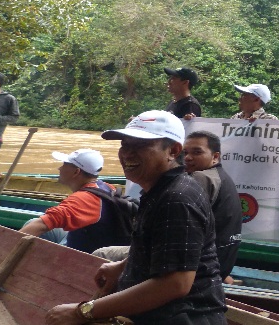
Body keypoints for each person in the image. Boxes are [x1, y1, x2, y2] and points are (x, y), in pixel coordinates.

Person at [45, 110, 225, 325]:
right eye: (125, 145)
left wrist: (82, 311)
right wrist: (121, 266)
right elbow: (161, 246)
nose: (128, 154)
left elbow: (175, 283)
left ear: (173, 151)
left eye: (140, 146)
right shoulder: (159, 190)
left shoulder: (177, 199)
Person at [20, 149, 132, 254]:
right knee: (35, 222)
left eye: (64, 165)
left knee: (33, 224)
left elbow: (40, 225)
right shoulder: (105, 186)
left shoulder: (84, 199)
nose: (59, 168)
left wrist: (5, 246)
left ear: (76, 172)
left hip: (86, 255)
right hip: (98, 241)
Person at [183, 130, 242, 283]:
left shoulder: (201, 177)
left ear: (215, 157)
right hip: (223, 264)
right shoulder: (221, 176)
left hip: (205, 268)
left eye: (197, 152)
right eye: (185, 153)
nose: (188, 158)